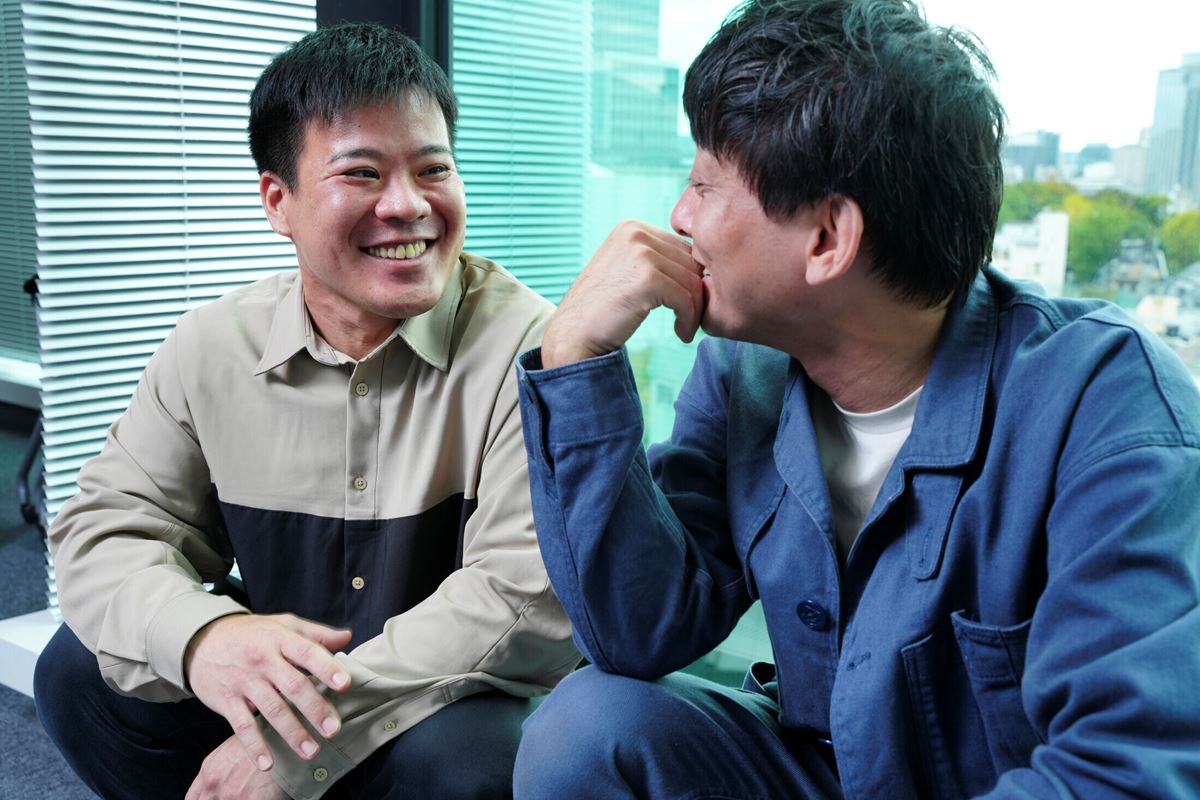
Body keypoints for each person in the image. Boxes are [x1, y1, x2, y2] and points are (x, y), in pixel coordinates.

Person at [510, 0, 1200, 798]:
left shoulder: (1110, 408)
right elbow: (639, 633)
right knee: (585, 730)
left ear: (828, 239)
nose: (679, 215)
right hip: (823, 769)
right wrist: (575, 360)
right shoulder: (745, 369)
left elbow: (1122, 772)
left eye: (703, 184)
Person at [34, 23, 577, 800]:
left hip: (438, 708)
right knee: (79, 671)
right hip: (282, 681)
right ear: (277, 201)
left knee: (479, 757)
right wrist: (207, 639)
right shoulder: (211, 347)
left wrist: (304, 739)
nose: (408, 205)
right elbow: (106, 531)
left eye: (433, 169)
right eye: (362, 173)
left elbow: (524, 595)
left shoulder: (531, 347)